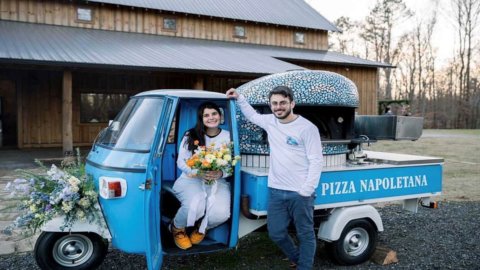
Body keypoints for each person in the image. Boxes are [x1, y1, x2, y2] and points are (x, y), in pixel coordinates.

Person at [226, 86, 323, 270]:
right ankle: (297, 258)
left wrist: (306, 190)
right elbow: (252, 116)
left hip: (300, 193)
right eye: (274, 103)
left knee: (305, 234)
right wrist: (240, 98)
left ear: (292, 103)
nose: (278, 107)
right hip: (277, 190)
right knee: (276, 233)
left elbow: (316, 161)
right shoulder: (270, 121)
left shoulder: (308, 128)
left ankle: (304, 267)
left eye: (283, 103)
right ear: (271, 105)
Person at [171, 102, 231, 250]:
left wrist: (221, 173)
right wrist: (197, 172)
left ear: (220, 115)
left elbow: (231, 166)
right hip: (191, 179)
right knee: (195, 206)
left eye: (214, 114)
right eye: (206, 115)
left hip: (218, 181)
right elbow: (181, 162)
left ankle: (202, 228)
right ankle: (177, 228)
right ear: (201, 118)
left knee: (221, 213)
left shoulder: (228, 136)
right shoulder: (190, 135)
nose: (211, 118)